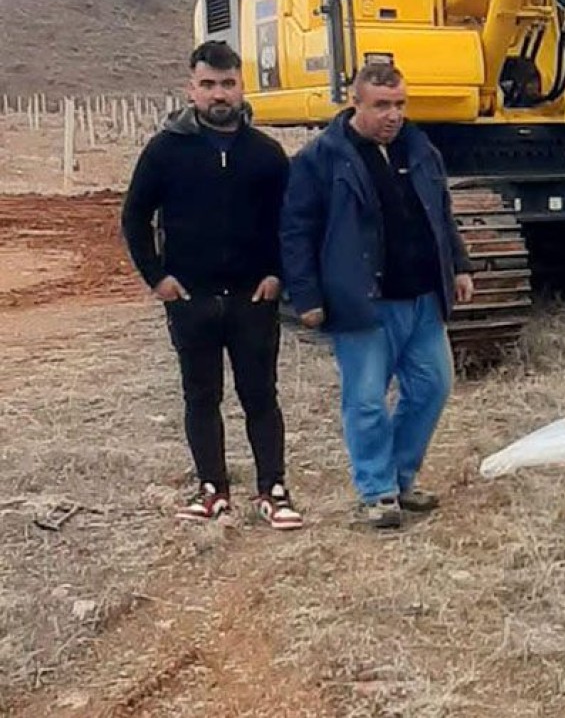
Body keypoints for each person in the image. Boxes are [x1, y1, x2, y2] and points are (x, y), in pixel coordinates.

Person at [280, 62, 474, 530]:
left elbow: (440, 212)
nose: (394, 115)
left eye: (400, 104)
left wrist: (460, 265)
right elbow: (296, 230)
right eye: (382, 105)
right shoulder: (320, 159)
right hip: (363, 302)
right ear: (355, 103)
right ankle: (377, 491)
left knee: (432, 388)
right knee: (366, 400)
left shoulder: (421, 149)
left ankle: (402, 480)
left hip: (423, 298)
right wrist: (305, 295)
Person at [120, 40, 302, 530]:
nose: (218, 95)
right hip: (191, 299)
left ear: (242, 87)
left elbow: (291, 222)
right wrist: (157, 278)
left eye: (227, 84)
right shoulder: (164, 151)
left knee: (260, 395)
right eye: (208, 85)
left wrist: (278, 275)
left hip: (252, 299)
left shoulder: (267, 154)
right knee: (201, 397)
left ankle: (274, 490)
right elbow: (135, 216)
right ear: (190, 89)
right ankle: (211, 490)